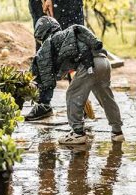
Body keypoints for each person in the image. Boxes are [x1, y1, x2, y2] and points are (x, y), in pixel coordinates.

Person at [31, 16, 124, 144]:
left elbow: (45, 67)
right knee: (106, 97)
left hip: (89, 65)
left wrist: (45, 84)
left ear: (41, 34)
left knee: (72, 94)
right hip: (103, 61)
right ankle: (117, 131)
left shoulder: (49, 42)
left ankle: (77, 133)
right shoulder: (67, 35)